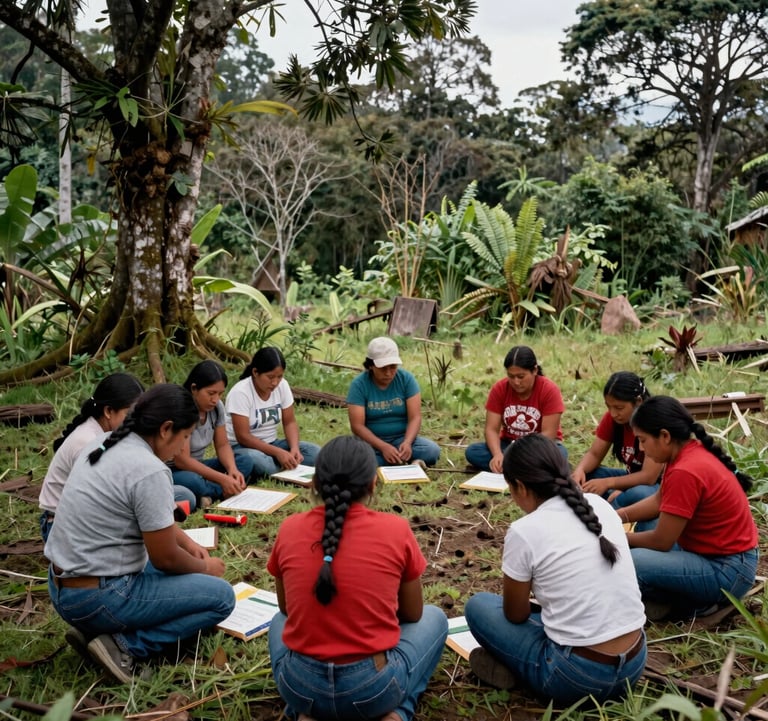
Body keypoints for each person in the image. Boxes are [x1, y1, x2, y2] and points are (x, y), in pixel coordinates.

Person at [45, 384, 236, 684]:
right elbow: (165, 560)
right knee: (221, 597)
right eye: (184, 437)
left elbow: (150, 522)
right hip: (97, 597)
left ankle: (95, 631)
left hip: (62, 587)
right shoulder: (150, 470)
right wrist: (205, 567)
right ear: (166, 429)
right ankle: (124, 647)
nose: (181, 447)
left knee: (179, 577)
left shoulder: (103, 443)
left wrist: (186, 542)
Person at [267, 435, 448, 721]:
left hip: (301, 686)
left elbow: (286, 609)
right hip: (371, 689)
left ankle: (304, 713)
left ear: (314, 484)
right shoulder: (396, 530)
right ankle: (397, 714)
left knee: (278, 622)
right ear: (373, 483)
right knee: (435, 618)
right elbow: (413, 614)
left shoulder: (289, 528)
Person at [464, 434, 646, 705]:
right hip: (634, 664)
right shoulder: (600, 506)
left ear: (521, 488)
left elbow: (515, 615)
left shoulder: (524, 531)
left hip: (576, 676)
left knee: (478, 606)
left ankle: (520, 672)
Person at [619, 395, 759, 621]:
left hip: (726, 570)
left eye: (643, 440)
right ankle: (678, 600)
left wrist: (618, 536)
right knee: (645, 530)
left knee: (632, 562)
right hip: (710, 554)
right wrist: (616, 516)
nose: (641, 448)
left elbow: (661, 542)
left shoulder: (686, 470)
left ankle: (694, 605)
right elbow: (658, 502)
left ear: (664, 436)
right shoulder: (685, 453)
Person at [38, 373, 149, 541]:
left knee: (176, 495)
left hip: (90, 515)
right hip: (62, 527)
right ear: (109, 411)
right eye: (130, 414)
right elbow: (100, 501)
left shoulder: (109, 432)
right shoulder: (87, 442)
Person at [465, 345, 566, 472]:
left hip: (540, 447)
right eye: (511, 376)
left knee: (560, 455)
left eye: (521, 376)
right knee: (473, 452)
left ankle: (511, 467)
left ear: (534, 370)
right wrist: (497, 454)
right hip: (509, 445)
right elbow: (491, 429)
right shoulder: (499, 389)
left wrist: (519, 454)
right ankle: (525, 469)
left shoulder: (549, 390)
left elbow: (549, 434)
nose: (516, 382)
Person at [572, 371, 663, 510]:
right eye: (609, 407)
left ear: (638, 402)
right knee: (587, 477)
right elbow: (595, 454)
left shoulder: (654, 422)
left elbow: (649, 477)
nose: (613, 413)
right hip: (632, 476)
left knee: (637, 494)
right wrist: (580, 470)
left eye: (619, 408)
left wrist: (609, 483)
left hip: (657, 484)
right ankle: (613, 500)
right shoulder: (613, 419)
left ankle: (610, 512)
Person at [170, 360, 254, 508]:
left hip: (199, 466)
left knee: (244, 460)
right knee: (193, 481)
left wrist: (231, 469)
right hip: (176, 470)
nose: (215, 399)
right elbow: (182, 461)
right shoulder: (183, 408)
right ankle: (223, 491)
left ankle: (211, 493)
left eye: (220, 394)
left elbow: (222, 445)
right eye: (211, 393)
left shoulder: (217, 408)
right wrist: (222, 479)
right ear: (194, 388)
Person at [226, 347, 320, 479]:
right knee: (255, 459)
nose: (275, 382)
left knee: (315, 453)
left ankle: (276, 468)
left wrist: (294, 449)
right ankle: (280, 468)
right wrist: (278, 453)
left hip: (272, 443)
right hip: (242, 448)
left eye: (280, 377)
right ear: (255, 372)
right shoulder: (240, 393)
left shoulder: (283, 386)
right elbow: (243, 437)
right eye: (270, 377)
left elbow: (289, 422)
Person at [347, 337, 440, 467]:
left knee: (431, 450)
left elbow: (415, 417)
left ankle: (392, 461)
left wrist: (407, 442)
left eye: (393, 367)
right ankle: (406, 463)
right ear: (371, 365)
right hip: (371, 443)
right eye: (383, 368)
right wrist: (383, 447)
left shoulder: (406, 380)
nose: (388, 373)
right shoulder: (359, 385)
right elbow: (357, 426)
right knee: (355, 459)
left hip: (401, 439)